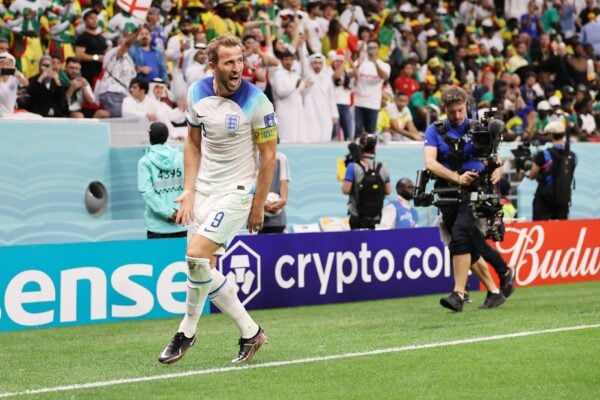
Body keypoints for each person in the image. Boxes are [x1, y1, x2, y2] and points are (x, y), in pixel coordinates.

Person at [158, 35, 276, 365]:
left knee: (196, 255)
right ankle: (250, 332)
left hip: (237, 192)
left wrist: (257, 205)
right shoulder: (196, 93)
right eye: (229, 62)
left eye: (240, 60)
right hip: (204, 191)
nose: (237, 67)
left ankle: (187, 331)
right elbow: (193, 143)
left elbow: (269, 158)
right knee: (199, 266)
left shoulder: (258, 102)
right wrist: (188, 190)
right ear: (213, 66)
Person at [423, 86, 511, 312]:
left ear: (467, 107)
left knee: (461, 237)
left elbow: (496, 160)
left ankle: (458, 295)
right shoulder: (434, 130)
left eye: (461, 111)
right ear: (445, 110)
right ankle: (496, 286)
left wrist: (497, 170)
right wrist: (456, 177)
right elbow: (430, 163)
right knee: (465, 246)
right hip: (448, 193)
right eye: (452, 112)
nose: (458, 116)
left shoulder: (479, 128)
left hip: (477, 193)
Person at [137, 121, 187, 239]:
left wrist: (170, 214)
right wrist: (178, 212)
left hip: (157, 227)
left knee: (155, 258)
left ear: (150, 137)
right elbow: (190, 188)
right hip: (180, 223)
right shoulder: (181, 158)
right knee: (179, 258)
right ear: (166, 136)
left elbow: (147, 193)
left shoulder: (145, 162)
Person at [525, 120, 577, 220]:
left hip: (545, 198)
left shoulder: (544, 154)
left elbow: (532, 175)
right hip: (563, 197)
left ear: (552, 135)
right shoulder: (573, 156)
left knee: (540, 227)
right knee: (561, 230)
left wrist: (528, 173)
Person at [342, 133, 392, 230]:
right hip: (376, 217)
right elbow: (388, 191)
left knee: (356, 244)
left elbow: (346, 190)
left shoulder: (353, 166)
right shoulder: (383, 167)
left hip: (357, 216)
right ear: (374, 148)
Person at [260, 147, 290, 234]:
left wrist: (282, 201)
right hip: (257, 217)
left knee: (278, 245)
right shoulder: (254, 158)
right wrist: (260, 203)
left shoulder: (281, 158)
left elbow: (284, 182)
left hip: (277, 217)